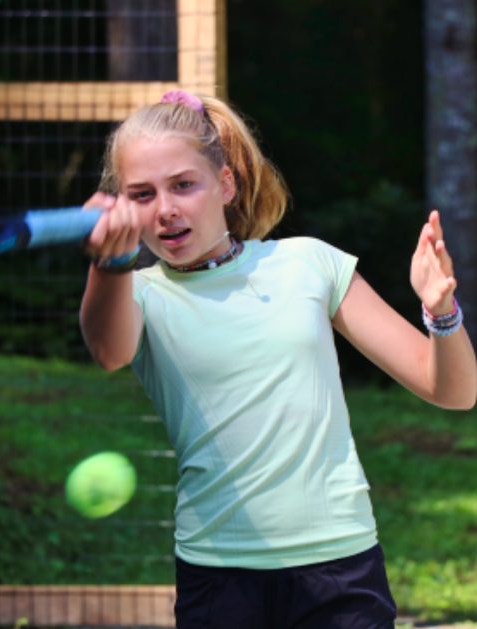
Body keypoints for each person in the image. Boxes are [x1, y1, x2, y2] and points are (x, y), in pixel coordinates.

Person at [79, 89, 477, 629]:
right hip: (218, 576)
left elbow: (453, 391)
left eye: (183, 185)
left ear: (225, 184)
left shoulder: (310, 265)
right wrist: (110, 264)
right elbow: (108, 351)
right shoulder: (138, 293)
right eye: (142, 195)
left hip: (341, 568)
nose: (166, 209)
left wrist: (441, 311)